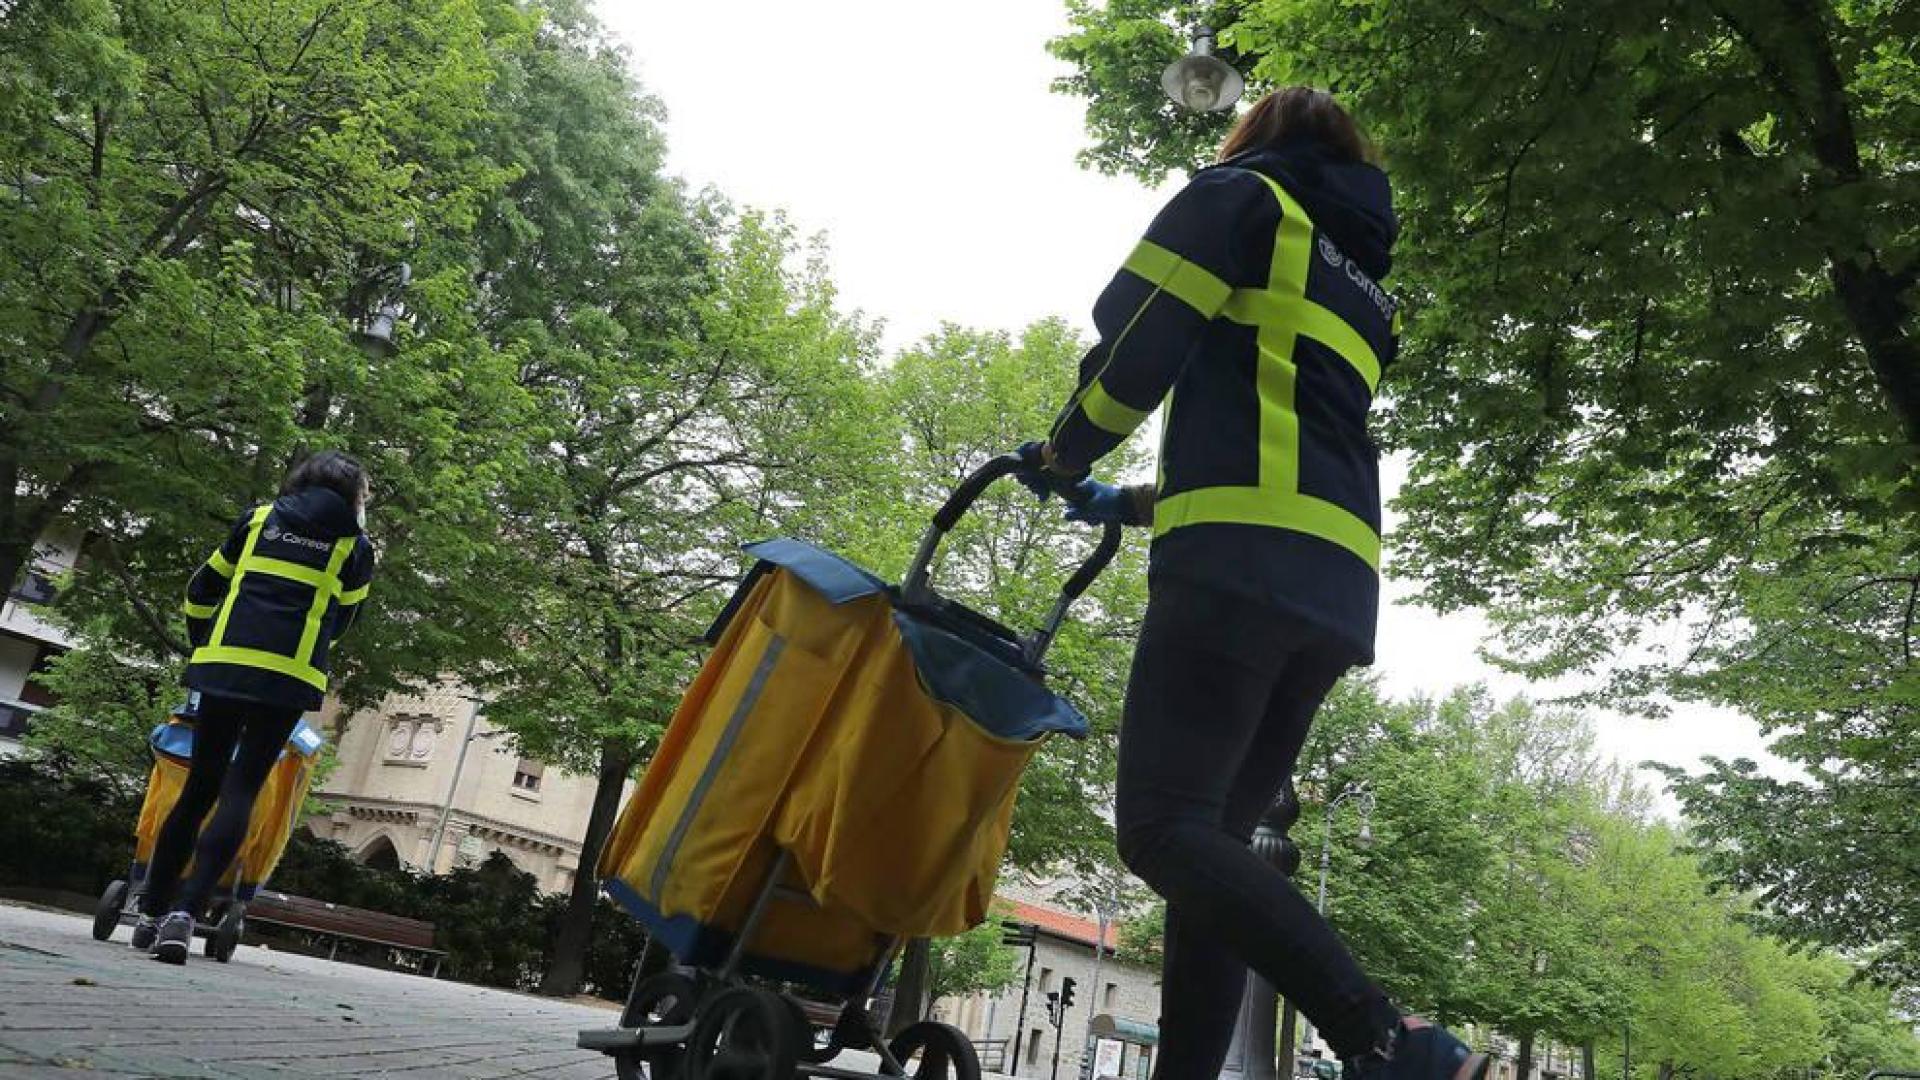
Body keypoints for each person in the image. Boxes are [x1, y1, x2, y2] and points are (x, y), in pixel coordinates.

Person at [1017, 88, 1487, 1080]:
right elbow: (1284, 427)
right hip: (1333, 583)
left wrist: (1066, 450)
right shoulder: (1370, 293)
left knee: (1160, 827)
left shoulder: (1240, 199)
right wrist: (1126, 502)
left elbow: (1139, 344)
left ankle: (1387, 1038)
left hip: (1235, 568)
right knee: (1214, 850)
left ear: (1251, 141)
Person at [132, 450, 376, 964]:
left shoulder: (259, 520)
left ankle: (151, 910)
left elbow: (203, 587)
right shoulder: (355, 547)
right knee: (243, 786)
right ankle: (186, 915)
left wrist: (203, 640)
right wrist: (309, 647)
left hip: (224, 664)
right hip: (290, 675)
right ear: (354, 497)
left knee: (200, 785)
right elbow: (345, 618)